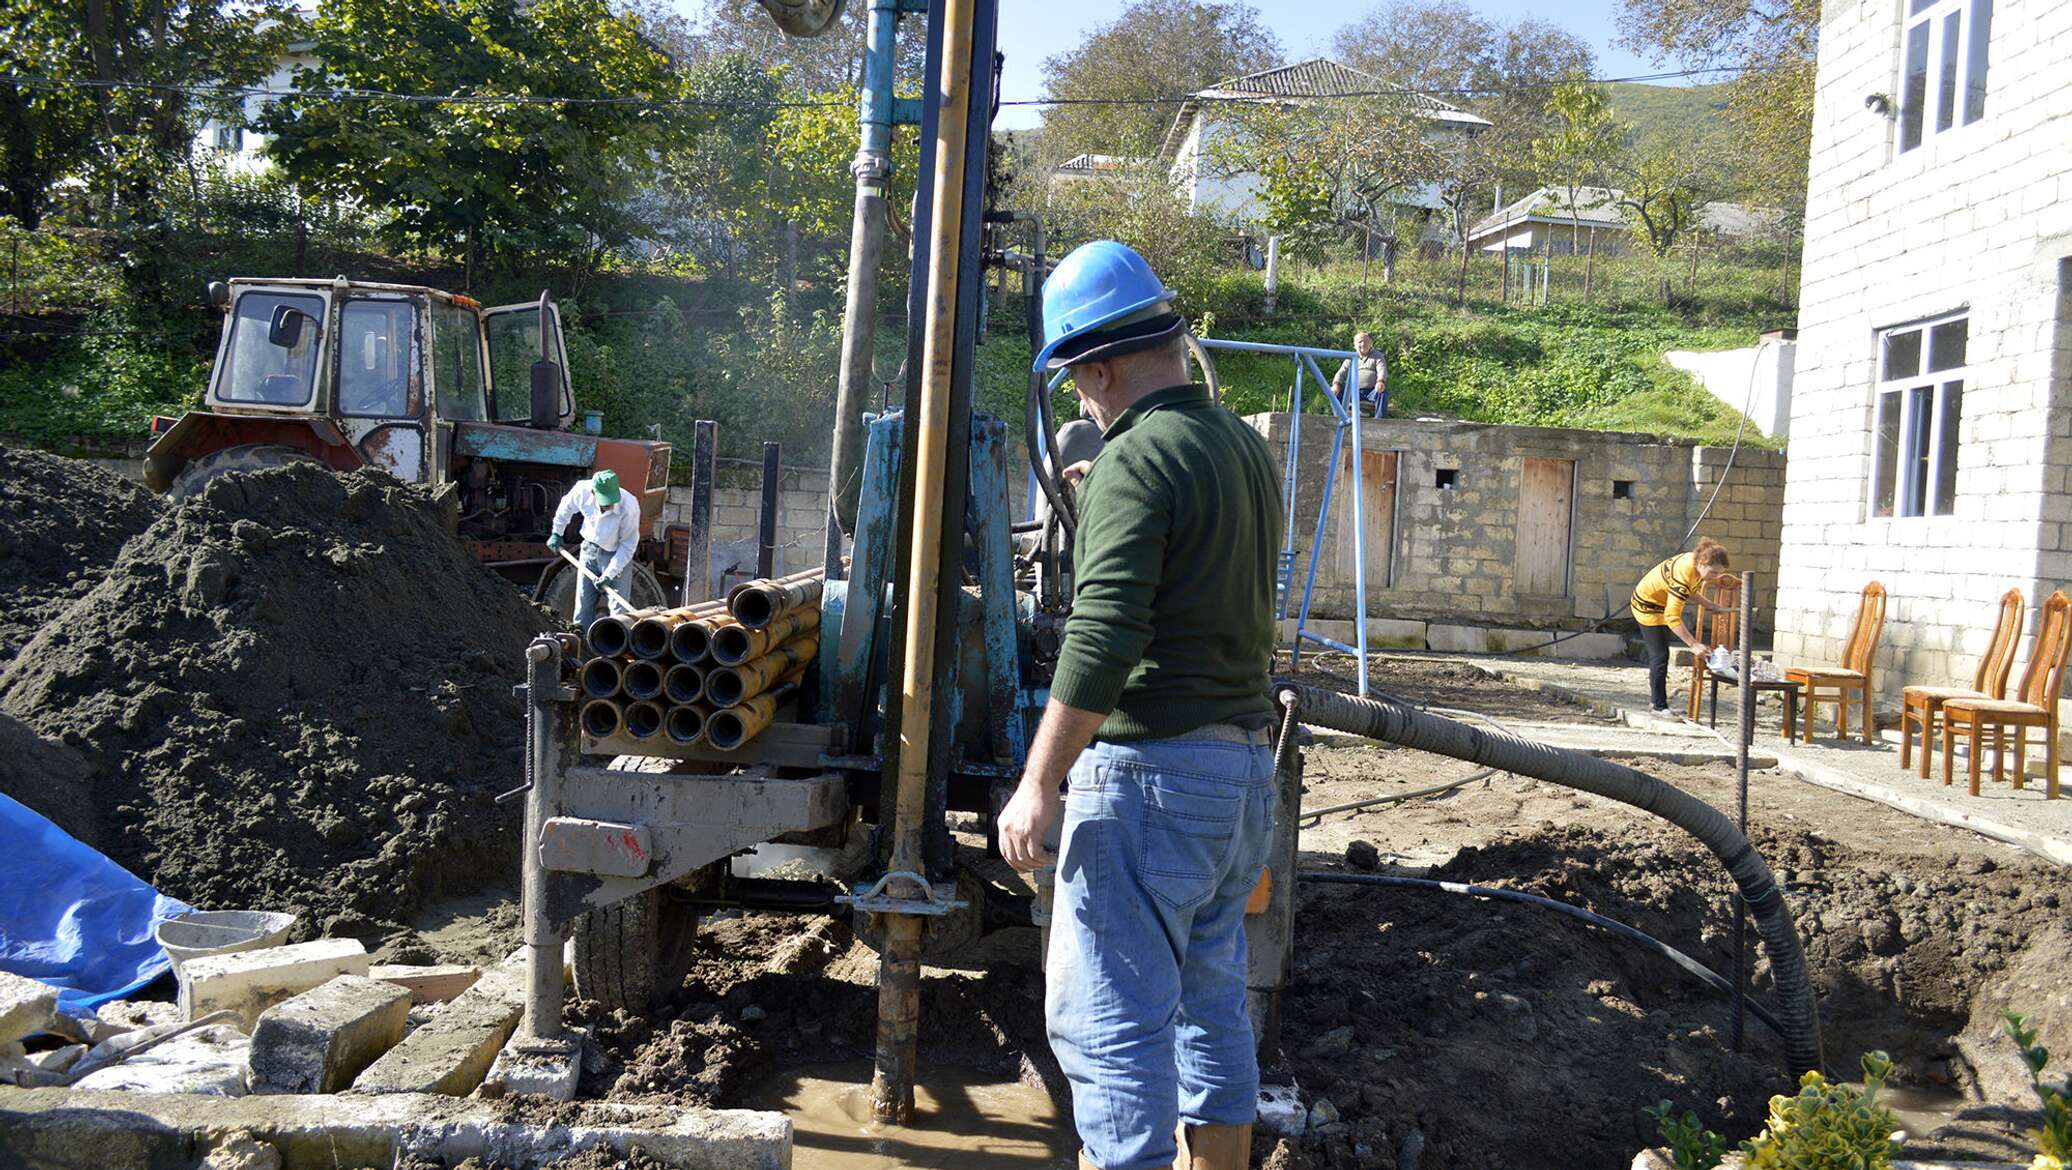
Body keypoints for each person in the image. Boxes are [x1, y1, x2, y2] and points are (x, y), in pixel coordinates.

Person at [997, 240, 1282, 1170]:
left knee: (1109, 1024)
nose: (1080, 401)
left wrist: (1041, 782)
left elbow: (1104, 633)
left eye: (1079, 382)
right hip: (1242, 778)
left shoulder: (1133, 457)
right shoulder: (1239, 446)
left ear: (1099, 366)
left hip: (1152, 776)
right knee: (1210, 1005)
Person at [1630, 537, 1732, 715]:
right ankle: (1657, 705)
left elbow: (1690, 591)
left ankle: (1659, 702)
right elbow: (1672, 616)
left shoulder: (1695, 567)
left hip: (1662, 604)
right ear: (1702, 563)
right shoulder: (1685, 571)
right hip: (1647, 605)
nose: (1715, 578)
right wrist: (1693, 644)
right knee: (1659, 655)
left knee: (1662, 653)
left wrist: (1711, 606)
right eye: (1714, 573)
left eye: (1719, 574)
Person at [547, 469, 642, 635]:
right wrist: (557, 532)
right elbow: (565, 508)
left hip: (615, 556)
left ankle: (616, 653)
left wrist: (609, 574)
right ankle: (581, 648)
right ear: (593, 492)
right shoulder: (582, 491)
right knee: (583, 607)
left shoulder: (629, 505)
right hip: (589, 552)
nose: (610, 505)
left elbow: (628, 545)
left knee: (619, 613)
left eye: (612, 501)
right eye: (605, 502)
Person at [1330, 331, 1387, 417]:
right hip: (1353, 392)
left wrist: (1380, 381)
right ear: (1355, 345)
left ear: (1370, 343)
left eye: (1366, 341)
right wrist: (1336, 384)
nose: (1363, 344)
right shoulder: (1350, 358)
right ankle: (1339, 417)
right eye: (1360, 342)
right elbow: (1340, 373)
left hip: (1371, 391)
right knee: (1335, 392)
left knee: (1382, 392)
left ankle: (1379, 420)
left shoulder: (1378, 356)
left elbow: (1382, 370)